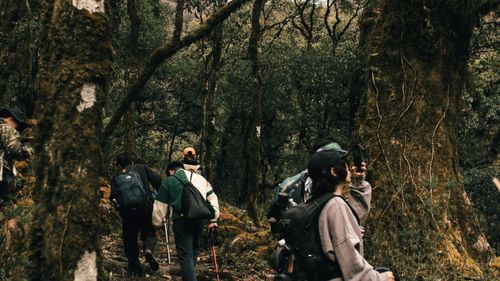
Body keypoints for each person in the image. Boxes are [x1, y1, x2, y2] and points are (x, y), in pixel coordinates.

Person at [307, 149, 395, 281]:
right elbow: (351, 264)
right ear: (333, 171)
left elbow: (354, 217)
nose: (348, 167)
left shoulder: (316, 203)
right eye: (344, 164)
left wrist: (358, 181)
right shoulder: (335, 205)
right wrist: (381, 278)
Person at [152, 161, 220, 281]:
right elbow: (212, 197)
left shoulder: (169, 181)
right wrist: (213, 219)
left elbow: (160, 207)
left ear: (171, 171)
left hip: (182, 221)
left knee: (185, 255)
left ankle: (189, 278)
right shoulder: (201, 179)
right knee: (193, 249)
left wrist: (157, 224)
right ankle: (189, 275)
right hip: (200, 219)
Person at [111, 153, 162, 277]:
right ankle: (148, 249)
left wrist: (120, 208)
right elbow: (159, 181)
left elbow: (113, 197)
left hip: (128, 212)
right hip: (145, 207)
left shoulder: (117, 176)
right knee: (150, 231)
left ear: (118, 165)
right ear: (132, 162)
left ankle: (135, 269)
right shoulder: (142, 168)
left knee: (130, 238)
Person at [0, 107, 32, 207]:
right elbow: (15, 151)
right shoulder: (6, 127)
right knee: (7, 206)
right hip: (2, 176)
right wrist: (30, 149)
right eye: (18, 125)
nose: (17, 129)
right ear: (11, 119)